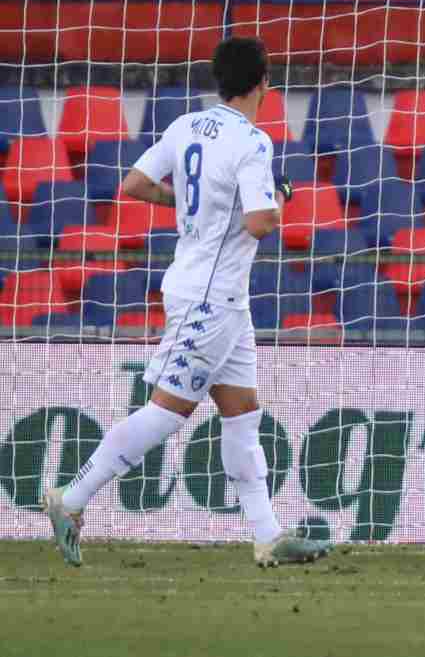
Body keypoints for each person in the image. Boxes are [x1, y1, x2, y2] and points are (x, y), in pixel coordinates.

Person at [42, 37, 332, 569]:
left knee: (242, 413)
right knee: (167, 410)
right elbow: (260, 223)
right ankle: (72, 497)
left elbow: (134, 183)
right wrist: (282, 195)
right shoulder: (254, 142)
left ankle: (267, 536)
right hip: (210, 297)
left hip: (214, 292)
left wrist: (193, 204)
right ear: (263, 82)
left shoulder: (186, 126)